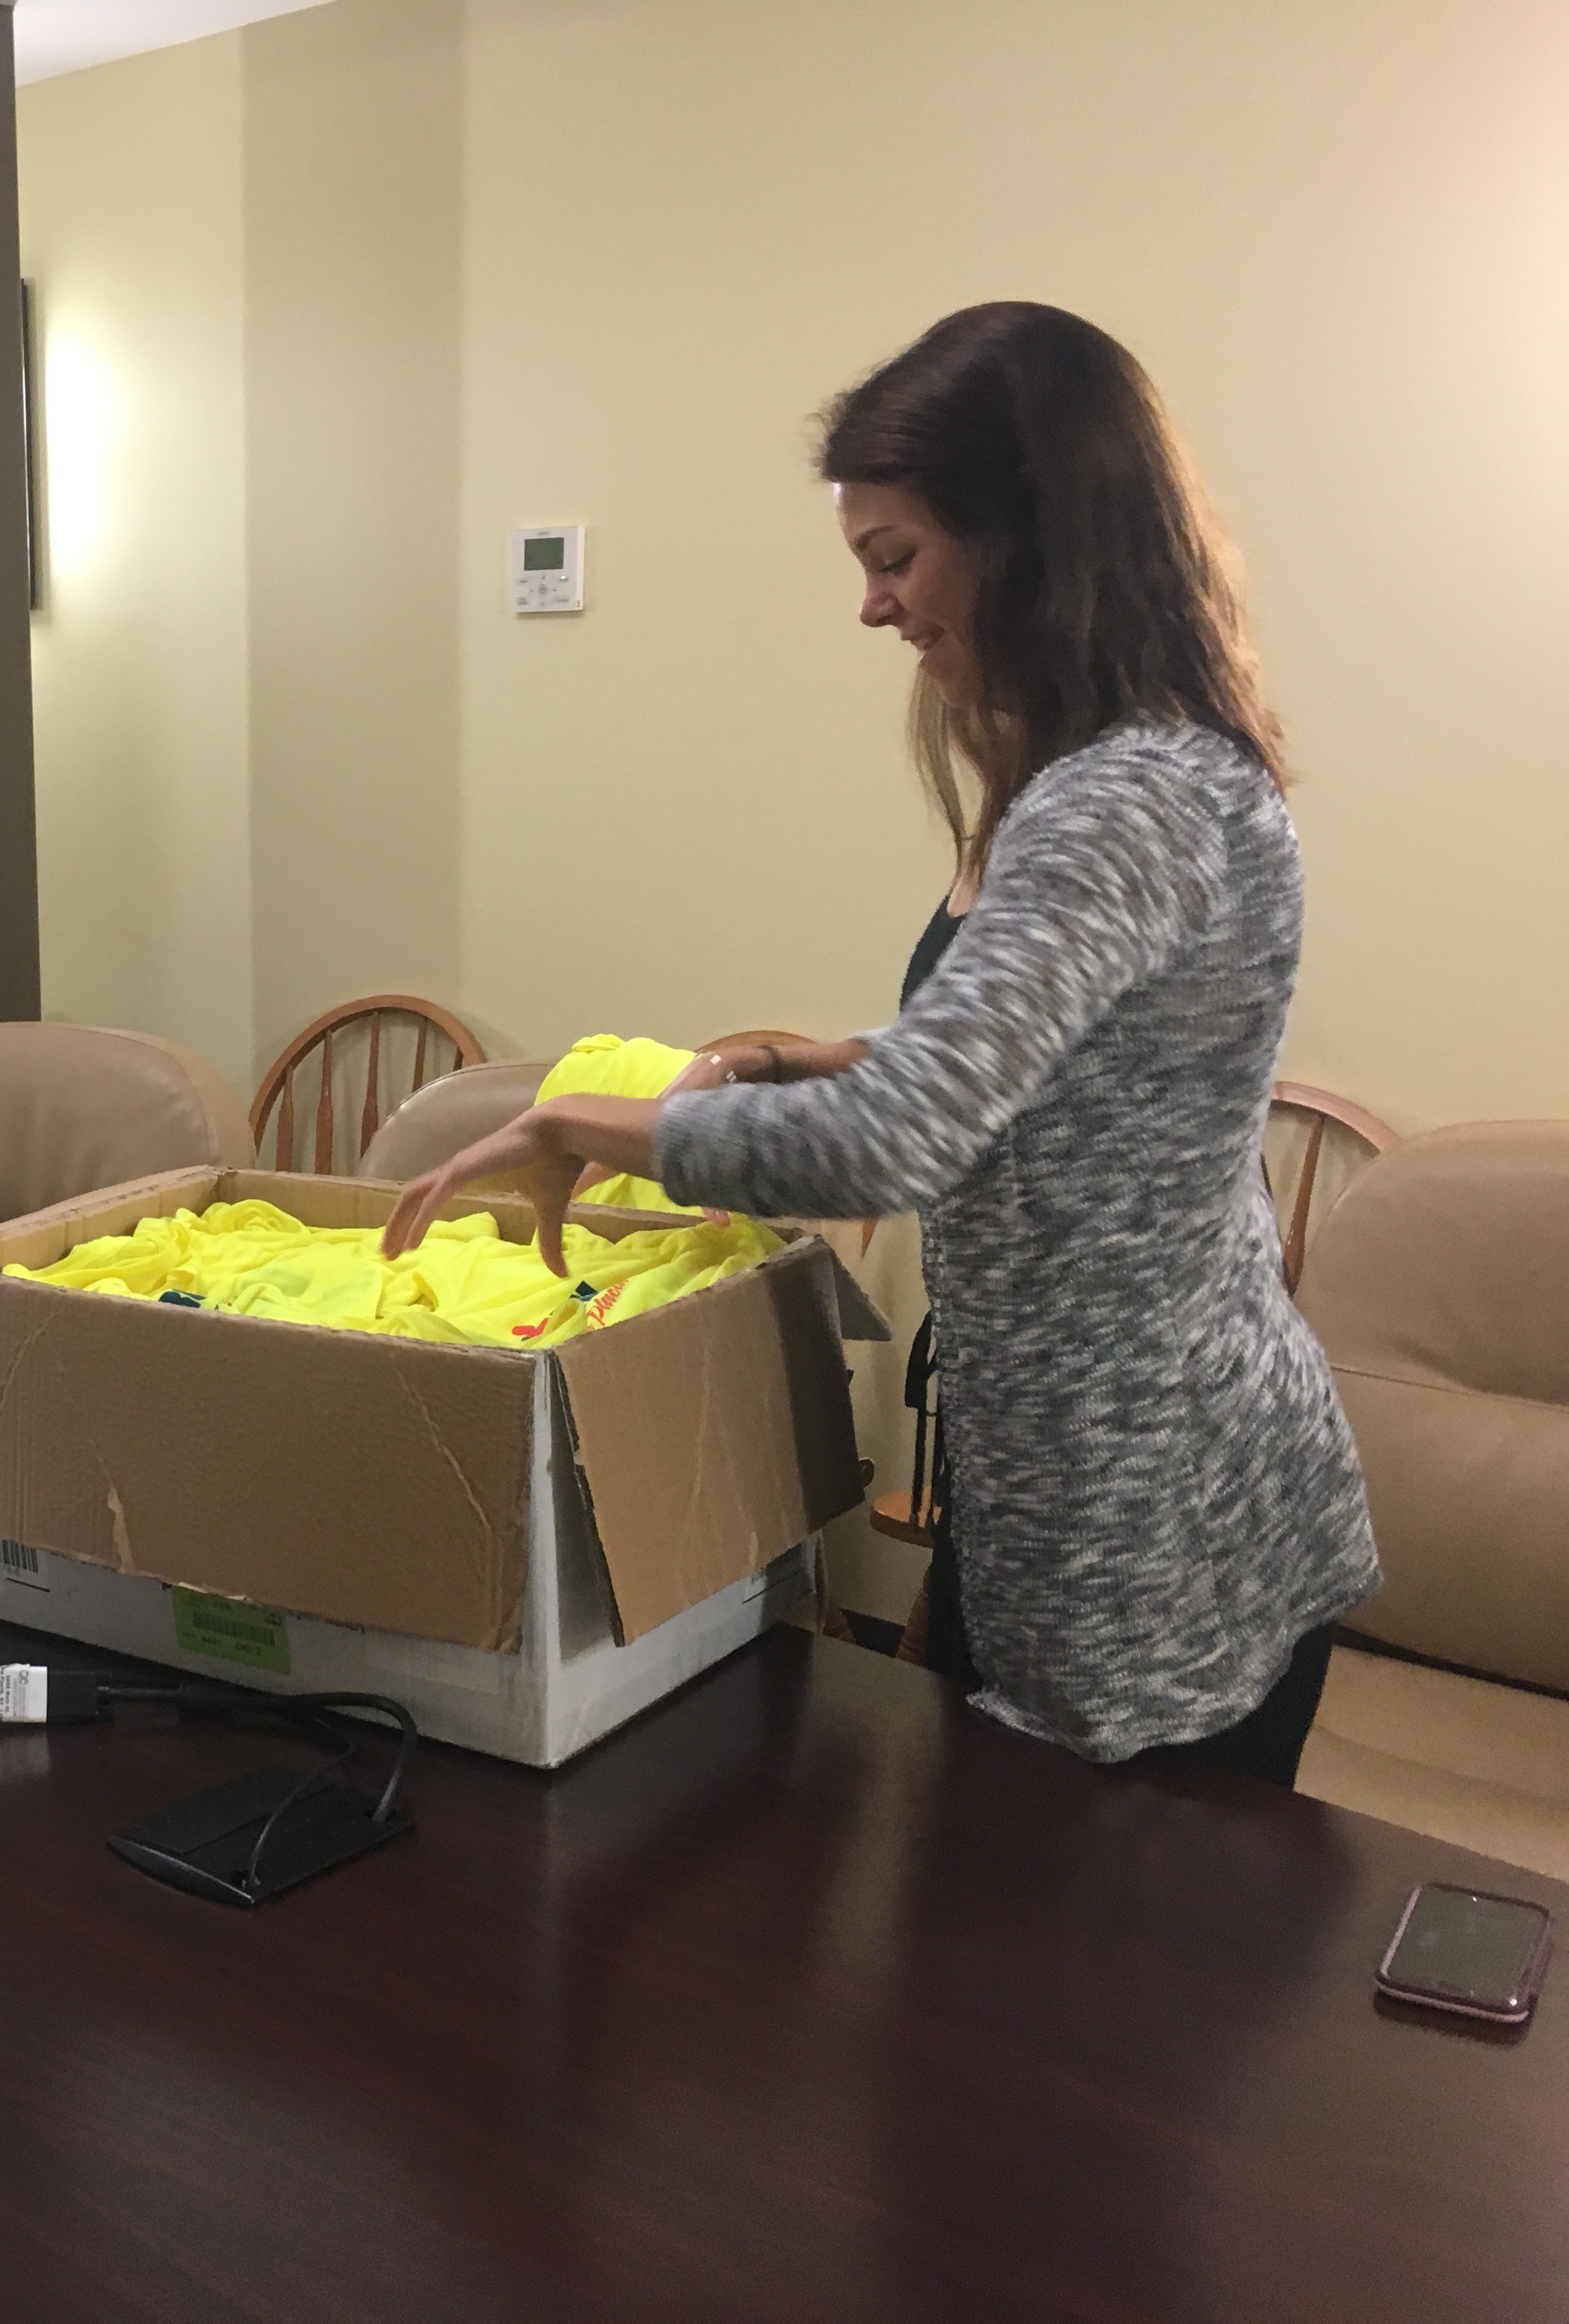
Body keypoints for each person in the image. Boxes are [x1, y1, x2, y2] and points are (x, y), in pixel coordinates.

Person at [384, 302, 1376, 1785]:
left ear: (1030, 537)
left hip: (1161, 1518)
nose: (873, 607)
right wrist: (785, 1061)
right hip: (1063, 1473)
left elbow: (906, 1136)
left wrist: (590, 1122)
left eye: (894, 556)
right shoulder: (1102, 776)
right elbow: (1005, 1059)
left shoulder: (1130, 796)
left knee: (1084, 1997)